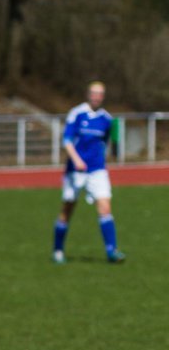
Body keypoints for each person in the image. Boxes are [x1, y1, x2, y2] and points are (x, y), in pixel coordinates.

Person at [52, 81, 124, 264]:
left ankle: (111, 251)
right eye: (94, 93)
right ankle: (58, 250)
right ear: (88, 94)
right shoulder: (77, 113)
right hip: (74, 171)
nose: (96, 97)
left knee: (105, 207)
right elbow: (67, 140)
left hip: (97, 170)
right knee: (67, 209)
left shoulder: (107, 119)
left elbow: (106, 143)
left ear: (103, 96)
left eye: (100, 94)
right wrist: (76, 160)